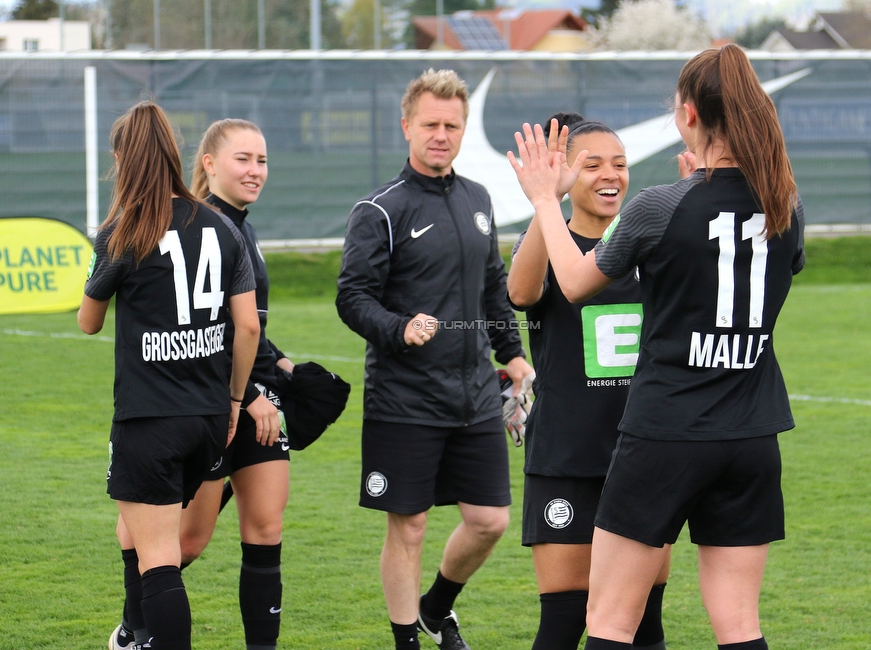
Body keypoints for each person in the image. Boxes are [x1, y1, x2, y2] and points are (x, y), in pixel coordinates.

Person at [508, 44, 805, 650]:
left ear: (691, 115)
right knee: (740, 627)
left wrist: (544, 200)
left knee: (611, 622)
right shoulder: (785, 204)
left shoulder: (659, 206)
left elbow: (572, 283)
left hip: (666, 435)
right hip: (751, 437)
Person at [336, 68, 535, 650]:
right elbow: (352, 298)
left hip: (474, 394)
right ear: (407, 126)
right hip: (405, 398)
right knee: (411, 525)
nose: (441, 135)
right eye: (430, 124)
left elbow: (494, 287)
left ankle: (436, 604)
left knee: (490, 520)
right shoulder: (378, 210)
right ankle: (406, 641)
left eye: (452, 125)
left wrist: (513, 355)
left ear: (463, 129)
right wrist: (399, 329)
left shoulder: (478, 198)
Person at [79, 101, 260, 650]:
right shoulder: (222, 228)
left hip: (148, 417)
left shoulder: (124, 229)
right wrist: (233, 403)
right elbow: (247, 328)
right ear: (175, 155)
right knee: (137, 530)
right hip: (207, 417)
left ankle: (138, 635)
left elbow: (88, 322)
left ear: (121, 160)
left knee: (159, 558)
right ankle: (131, 635)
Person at [508, 113, 670, 650]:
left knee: (643, 620)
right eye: (591, 164)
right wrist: (543, 204)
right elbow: (521, 292)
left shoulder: (653, 245)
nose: (610, 174)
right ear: (563, 174)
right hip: (567, 456)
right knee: (565, 618)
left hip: (645, 455)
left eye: (620, 164)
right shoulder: (549, 242)